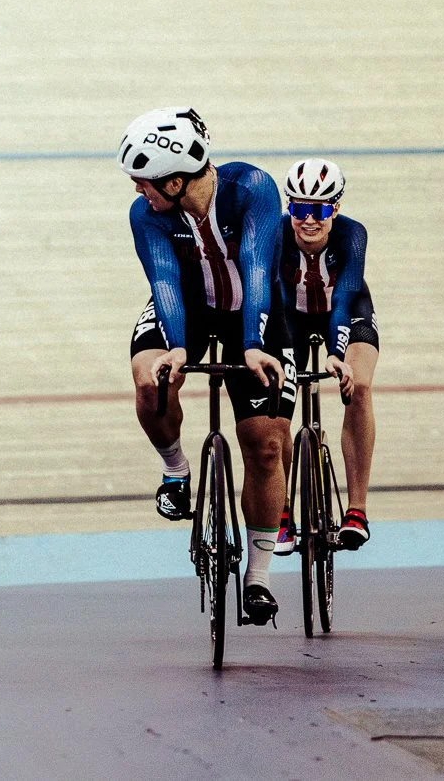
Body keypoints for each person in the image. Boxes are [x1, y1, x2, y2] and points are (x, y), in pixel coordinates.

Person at [120, 106, 292, 626]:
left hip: (253, 310)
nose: (137, 192)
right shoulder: (147, 216)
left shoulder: (252, 189)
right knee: (150, 379)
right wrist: (175, 347)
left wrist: (253, 343)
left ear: (175, 179)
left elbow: (259, 268)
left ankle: (258, 577)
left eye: (143, 181)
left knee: (264, 444)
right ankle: (176, 471)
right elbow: (165, 282)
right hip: (188, 311)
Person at [274, 158, 380, 551]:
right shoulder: (276, 234)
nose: (308, 220)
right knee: (277, 401)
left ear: (335, 208)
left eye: (318, 210)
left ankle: (356, 509)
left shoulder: (353, 234)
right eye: (299, 209)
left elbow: (348, 292)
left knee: (361, 385)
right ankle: (281, 509)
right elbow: (281, 301)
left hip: (347, 312)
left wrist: (337, 355)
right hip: (291, 317)